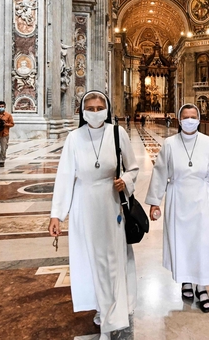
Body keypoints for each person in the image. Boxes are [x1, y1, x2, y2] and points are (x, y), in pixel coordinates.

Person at [48, 91, 139, 340]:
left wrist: (126, 181)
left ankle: (110, 319)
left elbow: (133, 167)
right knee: (90, 262)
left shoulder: (117, 134)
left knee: (111, 261)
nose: (95, 111)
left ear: (107, 110)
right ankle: (101, 306)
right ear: (82, 110)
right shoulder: (73, 138)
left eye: (100, 107)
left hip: (111, 206)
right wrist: (57, 215)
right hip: (83, 206)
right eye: (90, 107)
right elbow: (65, 177)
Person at [146, 104, 209, 313]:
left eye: (193, 116)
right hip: (178, 198)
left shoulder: (208, 142)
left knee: (203, 243)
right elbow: (160, 173)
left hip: (202, 199)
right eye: (186, 116)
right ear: (179, 119)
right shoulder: (169, 144)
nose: (190, 120)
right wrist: (155, 201)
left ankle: (202, 286)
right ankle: (186, 281)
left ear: (199, 119)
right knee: (182, 243)